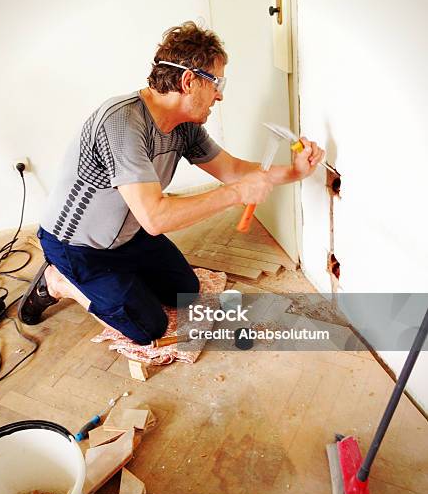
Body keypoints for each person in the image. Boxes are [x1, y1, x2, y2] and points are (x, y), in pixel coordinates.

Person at [18, 21, 324, 345]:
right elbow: (155, 218)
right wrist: (235, 194)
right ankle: (57, 281)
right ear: (189, 81)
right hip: (77, 247)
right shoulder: (121, 122)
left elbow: (233, 169)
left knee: (187, 292)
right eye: (217, 82)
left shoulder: (185, 126)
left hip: (127, 236)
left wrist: (296, 171)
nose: (219, 94)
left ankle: (117, 283)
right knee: (147, 327)